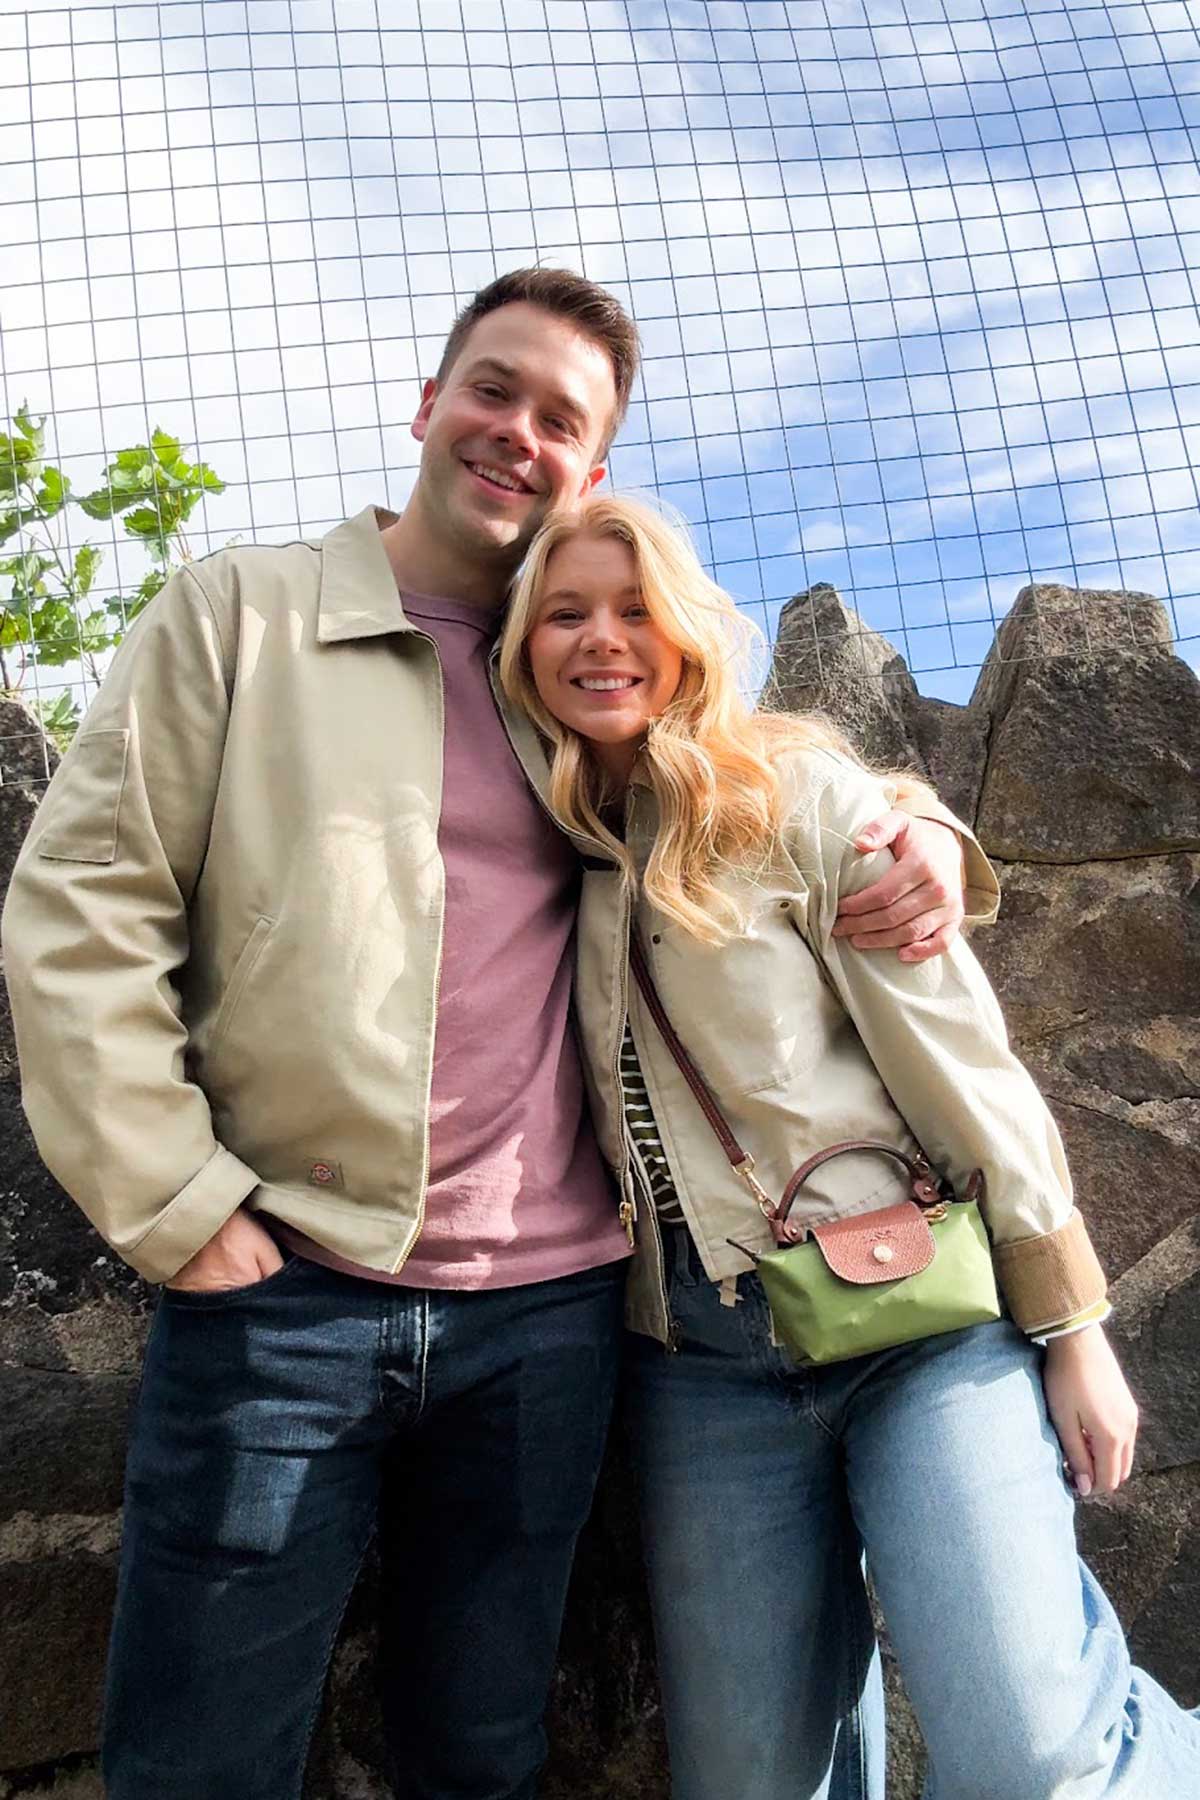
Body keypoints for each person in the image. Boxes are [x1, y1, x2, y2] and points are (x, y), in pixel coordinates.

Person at [3, 270, 986, 1800]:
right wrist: (177, 1205)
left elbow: (757, 786)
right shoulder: (240, 618)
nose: (517, 433)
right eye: (494, 390)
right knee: (199, 1762)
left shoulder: (579, 678)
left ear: (592, 470)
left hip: (547, 1324)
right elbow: (82, 909)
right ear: (429, 402)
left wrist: (923, 825)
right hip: (282, 1300)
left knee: (481, 1756)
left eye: (562, 421)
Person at [497, 491, 1200, 1800]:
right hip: (697, 1373)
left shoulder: (796, 801)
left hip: (921, 1333)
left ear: (690, 631)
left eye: (635, 607)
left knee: (1032, 1756)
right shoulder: (531, 845)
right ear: (523, 646)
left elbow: (964, 1068)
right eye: (565, 613)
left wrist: (1075, 1329)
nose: (602, 639)